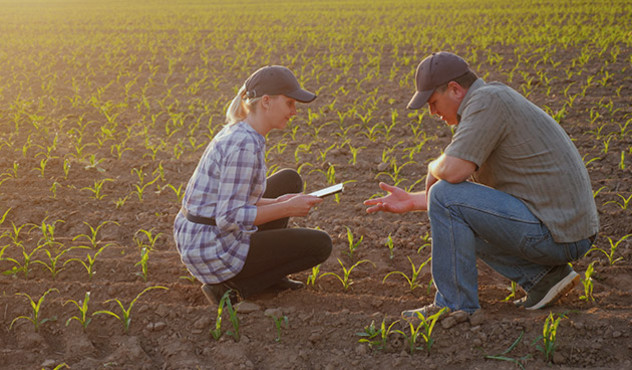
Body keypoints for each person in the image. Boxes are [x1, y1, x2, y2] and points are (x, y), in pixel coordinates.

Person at [364, 52, 599, 319]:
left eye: (433, 102)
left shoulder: (487, 102)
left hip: (557, 232)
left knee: (443, 192)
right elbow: (468, 201)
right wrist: (412, 201)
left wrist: (432, 168)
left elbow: (451, 174)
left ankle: (454, 305)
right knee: (452, 209)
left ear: (454, 89)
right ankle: (543, 278)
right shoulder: (490, 100)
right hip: (564, 228)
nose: (432, 112)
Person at [174, 65, 332, 305]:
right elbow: (228, 217)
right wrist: (288, 208)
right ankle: (231, 287)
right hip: (211, 249)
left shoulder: (243, 132)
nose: (294, 112)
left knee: (289, 181)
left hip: (201, 236)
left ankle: (271, 276)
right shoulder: (243, 146)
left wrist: (280, 202)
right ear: (266, 101)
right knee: (320, 245)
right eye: (290, 103)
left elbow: (237, 198)